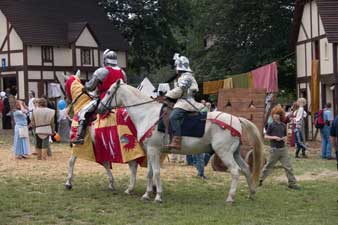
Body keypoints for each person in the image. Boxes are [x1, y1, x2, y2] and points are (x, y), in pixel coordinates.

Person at [72, 49, 127, 144]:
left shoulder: (102, 71)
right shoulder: (122, 72)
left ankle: (80, 137)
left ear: (105, 59)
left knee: (83, 112)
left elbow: (90, 86)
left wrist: (84, 88)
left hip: (105, 99)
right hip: (121, 100)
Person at [164, 53, 204, 150]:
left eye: (176, 67)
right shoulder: (182, 77)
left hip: (186, 102)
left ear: (179, 67)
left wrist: (167, 95)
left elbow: (180, 90)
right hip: (181, 100)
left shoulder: (187, 77)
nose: (175, 69)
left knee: (173, 117)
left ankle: (177, 140)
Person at [259, 105, 300, 190]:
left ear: (281, 115)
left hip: (283, 149)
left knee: (288, 167)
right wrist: (274, 137)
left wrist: (285, 138)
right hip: (274, 150)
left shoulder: (283, 125)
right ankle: (259, 180)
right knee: (268, 166)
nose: (276, 115)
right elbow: (266, 136)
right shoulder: (271, 125)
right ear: (272, 115)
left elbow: (285, 136)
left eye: (278, 114)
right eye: (274, 114)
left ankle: (292, 183)